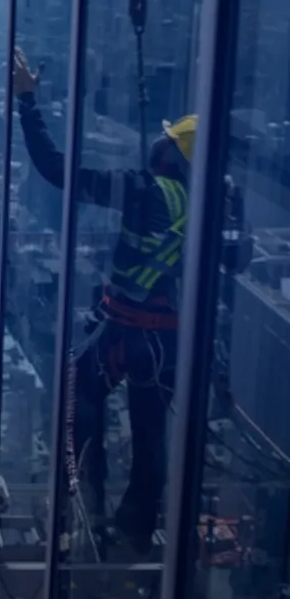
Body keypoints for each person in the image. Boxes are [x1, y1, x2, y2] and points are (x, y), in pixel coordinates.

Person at [12, 47, 196, 556]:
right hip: (169, 339)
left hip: (123, 328)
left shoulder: (143, 191)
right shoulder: (207, 204)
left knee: (80, 396)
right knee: (150, 430)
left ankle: (86, 503)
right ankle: (135, 525)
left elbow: (56, 169)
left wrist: (28, 102)